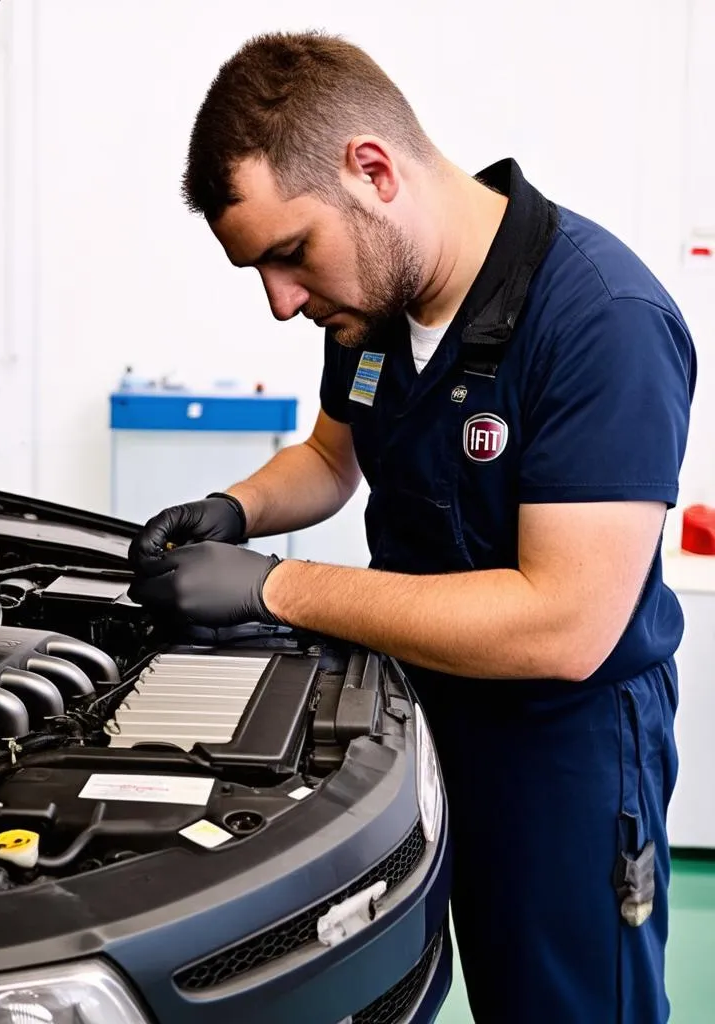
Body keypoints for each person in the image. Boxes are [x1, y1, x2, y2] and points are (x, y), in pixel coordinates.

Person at [127, 31, 696, 1024]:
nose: (280, 302)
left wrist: (271, 585)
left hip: (561, 750)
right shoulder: (372, 312)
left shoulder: (599, 320)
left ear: (373, 171)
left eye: (288, 254)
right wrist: (238, 508)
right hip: (409, 716)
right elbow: (329, 459)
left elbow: (562, 625)